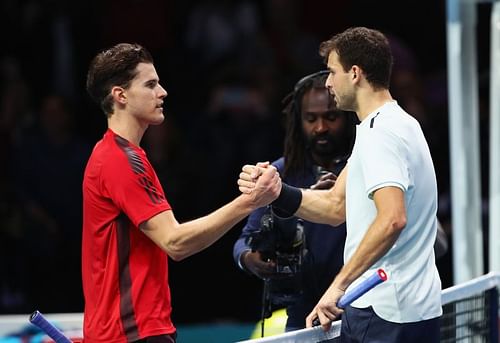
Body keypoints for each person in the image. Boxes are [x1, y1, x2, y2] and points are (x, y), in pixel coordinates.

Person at [238, 27, 442, 342]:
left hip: (383, 310)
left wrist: (338, 286)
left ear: (355, 73)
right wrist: (277, 190)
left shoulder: (380, 135)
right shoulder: (397, 123)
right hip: (411, 307)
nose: (329, 82)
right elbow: (336, 206)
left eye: (333, 72)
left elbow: (392, 219)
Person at [82, 43, 280, 343]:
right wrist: (251, 201)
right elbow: (175, 242)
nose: (162, 92)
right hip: (131, 333)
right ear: (120, 96)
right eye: (150, 85)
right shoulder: (119, 160)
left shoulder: (117, 155)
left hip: (133, 330)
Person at [233, 70, 356, 331]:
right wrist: (249, 259)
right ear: (298, 121)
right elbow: (244, 242)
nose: (321, 127)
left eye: (330, 117)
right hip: (303, 317)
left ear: (346, 117)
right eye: (311, 119)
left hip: (361, 311)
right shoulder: (278, 174)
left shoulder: (364, 164)